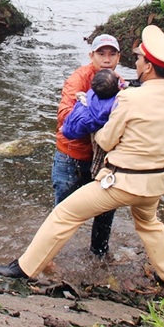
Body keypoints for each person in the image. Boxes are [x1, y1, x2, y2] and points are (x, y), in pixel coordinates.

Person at [0, 25, 164, 291]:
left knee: (65, 214)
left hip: (122, 182)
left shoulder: (130, 98)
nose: (137, 63)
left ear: (149, 67)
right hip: (154, 183)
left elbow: (105, 140)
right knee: (149, 224)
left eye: (139, 60)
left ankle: (25, 268)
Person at [51, 34, 123, 257]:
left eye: (112, 54)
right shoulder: (79, 79)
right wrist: (97, 112)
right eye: (101, 54)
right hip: (71, 156)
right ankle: (49, 256)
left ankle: (99, 257)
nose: (107, 59)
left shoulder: (117, 82)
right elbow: (64, 117)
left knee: (105, 211)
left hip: (103, 159)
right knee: (62, 212)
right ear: (91, 55)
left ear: (119, 58)